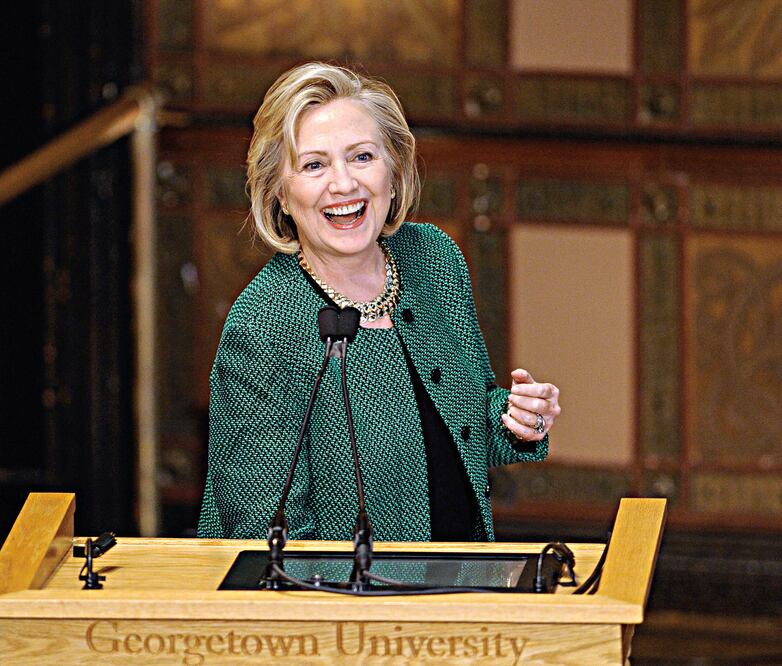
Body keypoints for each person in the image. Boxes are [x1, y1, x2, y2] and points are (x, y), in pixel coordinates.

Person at [197, 62, 561, 542]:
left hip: (464, 581)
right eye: (314, 165)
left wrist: (516, 418)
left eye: (362, 157)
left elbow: (462, 429)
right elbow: (265, 532)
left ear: (393, 172)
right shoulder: (264, 323)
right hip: (345, 603)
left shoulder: (433, 258)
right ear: (280, 194)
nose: (344, 184)